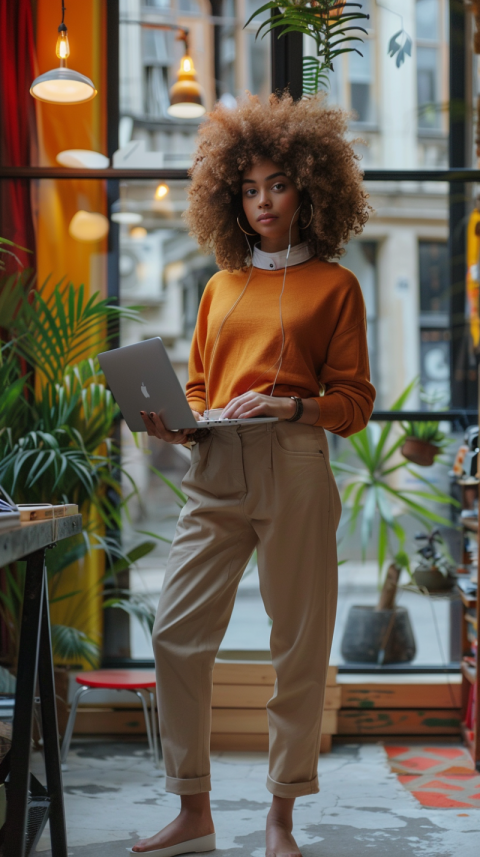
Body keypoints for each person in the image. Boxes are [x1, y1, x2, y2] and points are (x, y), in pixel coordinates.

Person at [133, 92, 376, 857]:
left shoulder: (335, 285)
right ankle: (193, 809)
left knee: (296, 645)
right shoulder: (218, 286)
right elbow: (203, 384)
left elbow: (354, 402)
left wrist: (291, 404)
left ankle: (280, 819)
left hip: (295, 462)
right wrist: (181, 418)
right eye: (248, 187)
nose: (263, 200)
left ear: (310, 187)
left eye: (277, 183)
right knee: (175, 633)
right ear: (228, 196)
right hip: (214, 464)